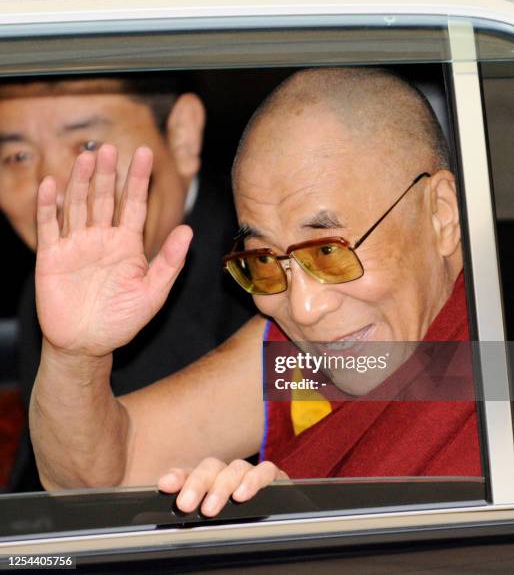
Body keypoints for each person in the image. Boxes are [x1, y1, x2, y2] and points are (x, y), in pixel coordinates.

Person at [30, 67, 481, 518]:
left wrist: (316, 542)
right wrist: (76, 357)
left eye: (328, 251)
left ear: (441, 215)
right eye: (264, 260)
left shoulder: (491, 353)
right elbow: (103, 475)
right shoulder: (300, 367)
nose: (305, 309)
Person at [0, 75, 253, 491]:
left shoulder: (270, 282)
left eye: (88, 147)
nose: (52, 189)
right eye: (18, 156)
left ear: (183, 135)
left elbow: (99, 481)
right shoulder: (50, 282)